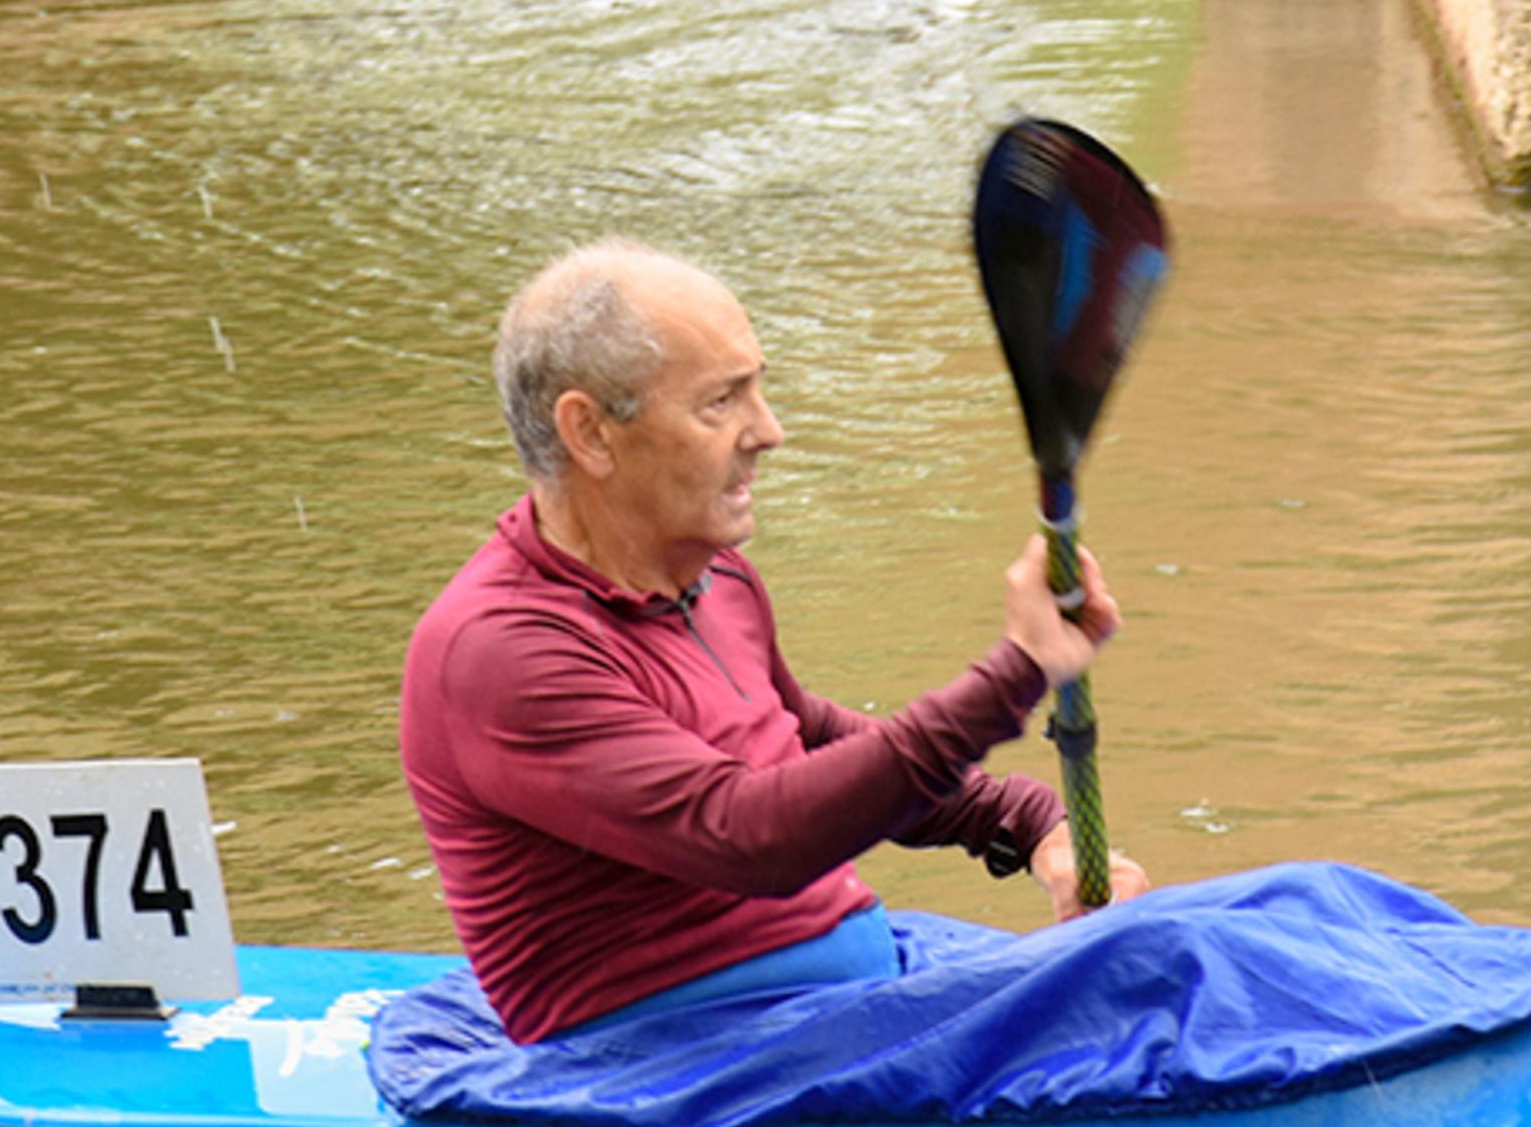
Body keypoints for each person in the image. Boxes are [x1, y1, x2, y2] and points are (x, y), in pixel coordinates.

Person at [399, 239, 1149, 1044]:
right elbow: (751, 834)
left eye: (758, 390)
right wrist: (1014, 674)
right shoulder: (498, 651)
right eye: (721, 402)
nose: (769, 431)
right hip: (677, 1070)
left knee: (1191, 952)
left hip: (825, 1012)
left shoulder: (717, 580)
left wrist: (1031, 826)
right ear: (589, 432)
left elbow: (810, 743)